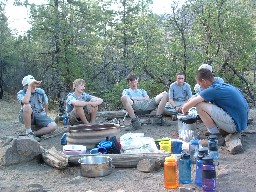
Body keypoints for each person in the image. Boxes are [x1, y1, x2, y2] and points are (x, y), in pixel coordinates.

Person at [182, 69, 248, 152]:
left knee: (200, 106)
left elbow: (187, 107)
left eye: (199, 84)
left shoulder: (212, 90)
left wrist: (184, 111)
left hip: (235, 126)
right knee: (205, 103)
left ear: (204, 81)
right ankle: (220, 130)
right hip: (241, 123)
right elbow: (198, 97)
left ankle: (215, 136)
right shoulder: (220, 85)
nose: (200, 87)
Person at [17, 75, 57, 141]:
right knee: (27, 106)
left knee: (53, 126)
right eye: (32, 85)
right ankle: (28, 131)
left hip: (39, 114)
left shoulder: (40, 91)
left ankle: (32, 134)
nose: (34, 86)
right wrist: (29, 88)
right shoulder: (21, 93)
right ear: (25, 86)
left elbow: (46, 103)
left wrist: (46, 115)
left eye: (34, 84)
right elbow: (25, 101)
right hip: (28, 115)